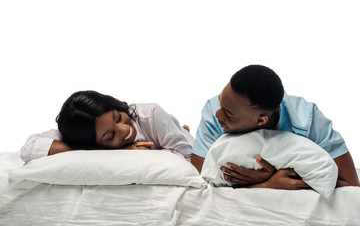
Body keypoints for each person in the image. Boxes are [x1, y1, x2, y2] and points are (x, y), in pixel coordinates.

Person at [191, 65, 359, 189]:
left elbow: (351, 185)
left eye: (228, 114)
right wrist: (265, 183)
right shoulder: (213, 111)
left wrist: (279, 179)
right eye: (221, 102)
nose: (218, 115)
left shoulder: (308, 120)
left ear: (260, 121)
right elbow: (199, 182)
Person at [21, 90, 193, 163]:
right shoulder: (82, 131)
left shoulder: (150, 115)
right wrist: (104, 151)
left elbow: (191, 159)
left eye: (118, 117)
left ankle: (183, 129)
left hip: (178, 136)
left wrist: (148, 155)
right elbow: (29, 148)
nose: (125, 130)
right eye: (110, 136)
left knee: (182, 133)